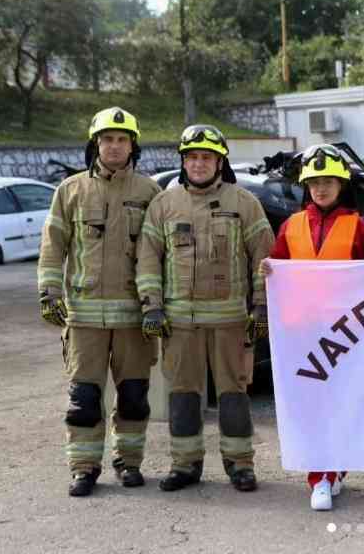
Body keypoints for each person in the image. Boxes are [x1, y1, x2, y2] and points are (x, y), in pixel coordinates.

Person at [136, 124, 274, 493]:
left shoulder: (244, 203)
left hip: (231, 321)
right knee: (183, 393)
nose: (199, 164)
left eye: (207, 157)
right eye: (193, 157)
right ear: (184, 162)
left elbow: (264, 259)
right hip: (179, 322)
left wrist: (261, 307)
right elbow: (148, 260)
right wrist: (152, 307)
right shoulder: (164, 205)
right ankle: (184, 465)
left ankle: (240, 465)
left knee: (233, 393)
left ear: (220, 162)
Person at [37, 107, 161, 497]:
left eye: (122, 139)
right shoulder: (69, 190)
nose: (114, 146)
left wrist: (158, 305)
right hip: (84, 318)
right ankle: (84, 468)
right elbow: (53, 247)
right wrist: (49, 292)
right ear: (95, 143)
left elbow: (161, 255)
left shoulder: (150, 193)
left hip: (133, 319)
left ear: (133, 146)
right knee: (84, 400)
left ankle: (129, 463)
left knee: (134, 398)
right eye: (107, 139)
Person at [260, 144, 364, 511]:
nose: (321, 189)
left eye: (328, 182)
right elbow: (277, 266)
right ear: (306, 187)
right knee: (311, 406)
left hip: (345, 334)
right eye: (314, 183)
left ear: (341, 185)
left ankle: (334, 469)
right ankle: (319, 476)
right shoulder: (291, 226)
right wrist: (268, 269)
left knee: (341, 404)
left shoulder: (359, 227)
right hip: (301, 333)